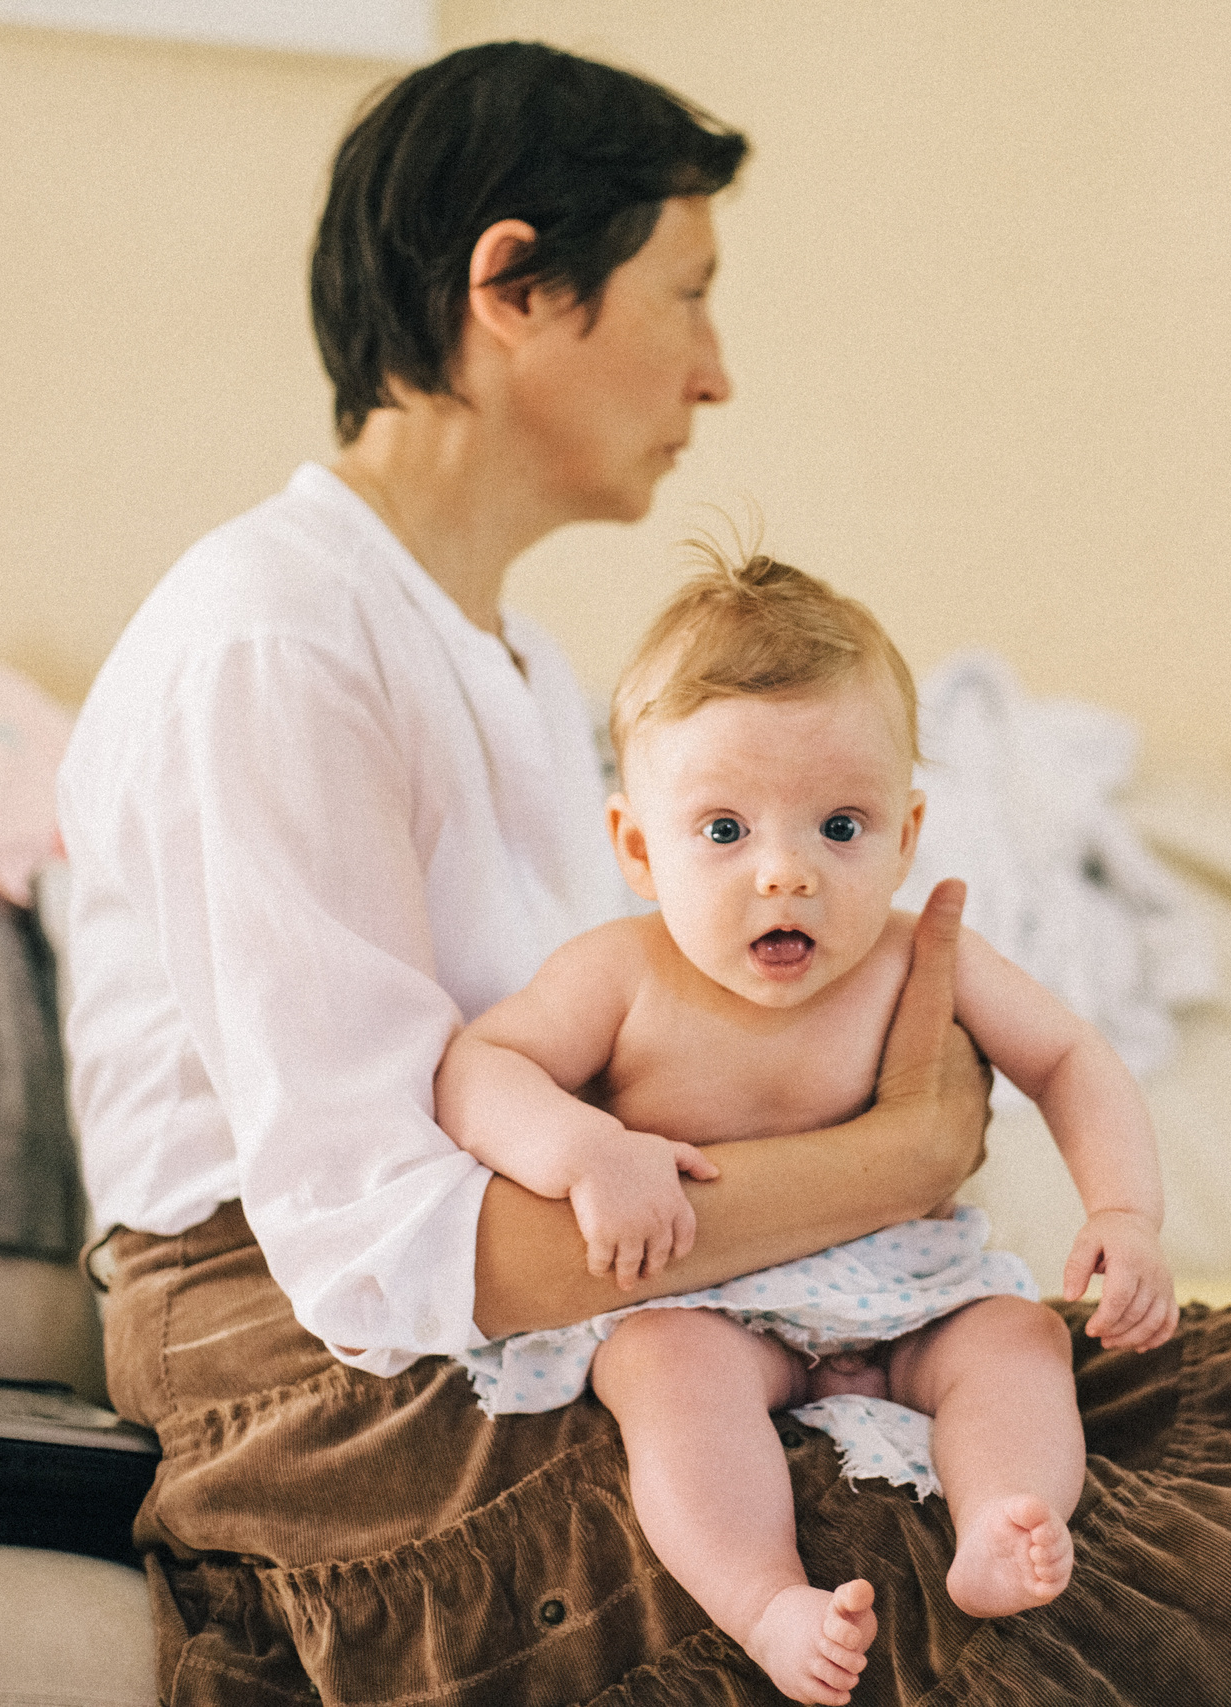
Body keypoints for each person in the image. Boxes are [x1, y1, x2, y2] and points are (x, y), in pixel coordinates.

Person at [58, 37, 1231, 1707]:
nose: (716, 372)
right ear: (515, 285)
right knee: (1211, 1620)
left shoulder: (506, 666)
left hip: (630, 1300)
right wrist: (903, 1157)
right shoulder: (275, 640)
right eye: (688, 294)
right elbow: (389, 1262)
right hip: (344, 1398)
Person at [434, 552, 1178, 1703]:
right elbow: (478, 1069)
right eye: (723, 831)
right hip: (712, 1302)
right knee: (663, 1374)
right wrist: (584, 1150)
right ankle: (763, 1598)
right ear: (637, 848)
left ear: (905, 832)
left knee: (1020, 1344)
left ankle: (1000, 1524)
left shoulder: (913, 956)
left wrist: (1124, 1212)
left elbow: (1070, 1056)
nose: (785, 876)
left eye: (839, 825)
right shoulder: (617, 974)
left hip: (912, 1285)